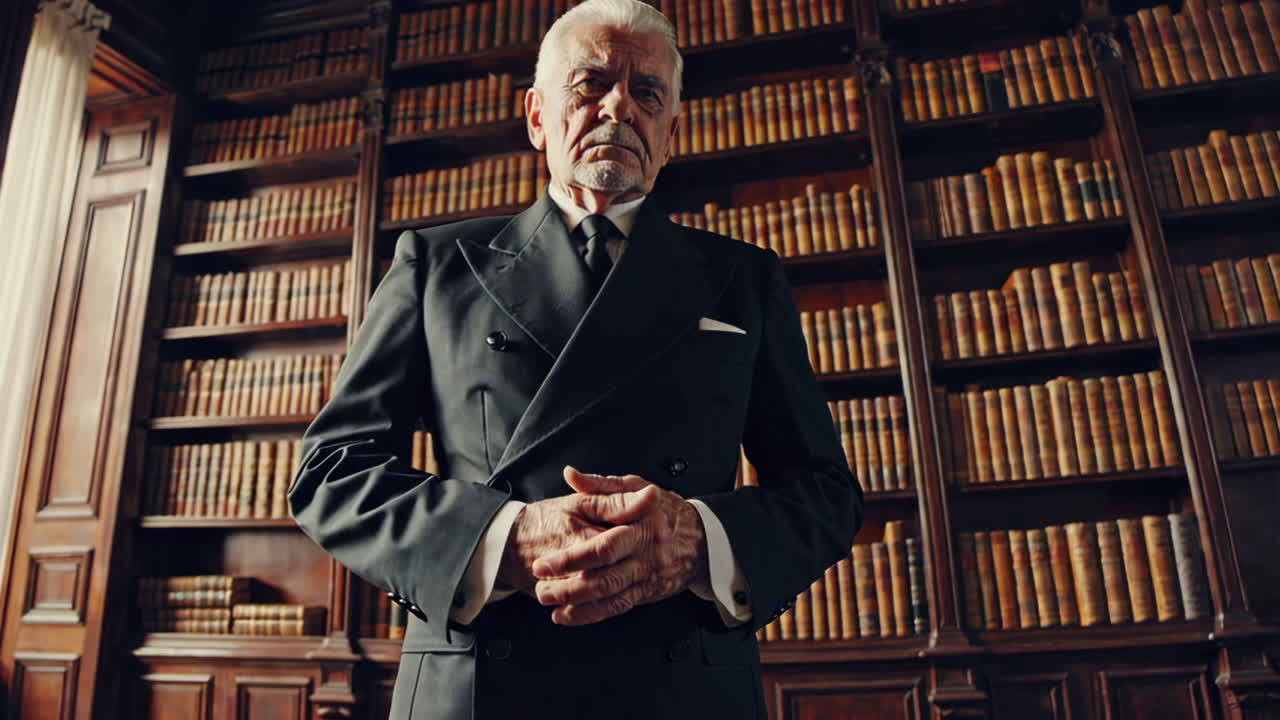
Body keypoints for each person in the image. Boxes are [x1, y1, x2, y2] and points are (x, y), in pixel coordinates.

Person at [288, 0, 863, 717]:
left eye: (647, 92)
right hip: (483, 683)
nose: (619, 105)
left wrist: (700, 543)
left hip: (681, 684)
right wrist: (501, 538)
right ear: (536, 116)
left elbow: (826, 492)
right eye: (591, 84)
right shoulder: (436, 265)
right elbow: (333, 475)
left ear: (670, 132)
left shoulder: (743, 278)